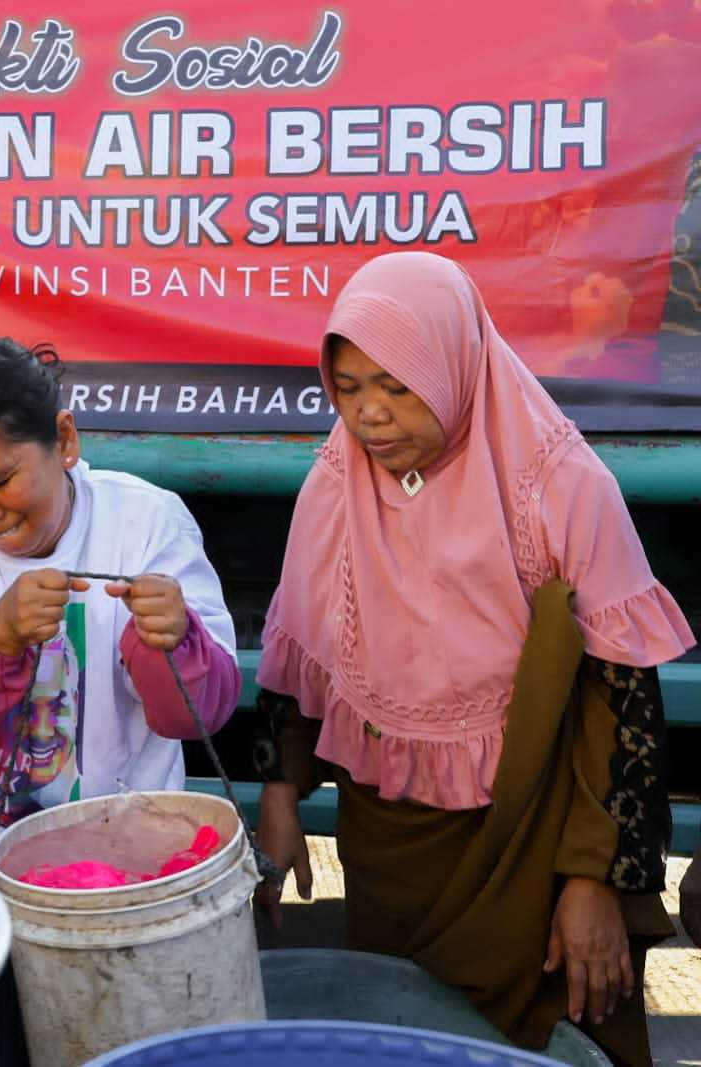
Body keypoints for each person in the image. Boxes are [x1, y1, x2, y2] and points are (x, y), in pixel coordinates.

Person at [253, 252, 694, 1067]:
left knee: (568, 1033)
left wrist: (592, 882)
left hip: (539, 846)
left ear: (454, 361)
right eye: (347, 389)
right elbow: (299, 656)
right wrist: (280, 791)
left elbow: (626, 703)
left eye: (397, 384)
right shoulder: (335, 485)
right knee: (404, 1039)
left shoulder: (557, 487)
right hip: (390, 844)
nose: (371, 416)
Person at [0, 338, 240, 827]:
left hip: (126, 845)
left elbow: (198, 718)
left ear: (64, 440)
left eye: (1, 480)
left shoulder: (145, 520)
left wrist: (173, 641)